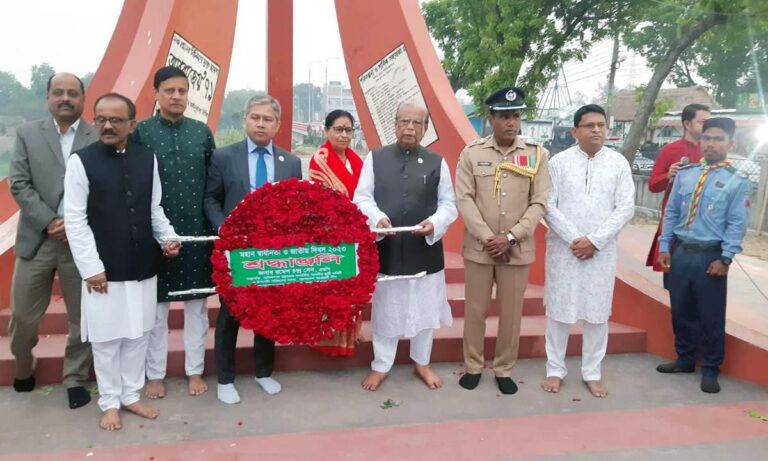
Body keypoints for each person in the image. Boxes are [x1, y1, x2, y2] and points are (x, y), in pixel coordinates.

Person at [64, 93, 181, 431]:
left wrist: (167, 238)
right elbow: (75, 220)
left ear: (132, 123)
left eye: (116, 119)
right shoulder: (80, 161)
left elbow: (154, 208)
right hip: (103, 268)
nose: (107, 125)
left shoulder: (148, 158)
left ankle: (131, 395)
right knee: (106, 340)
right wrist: (91, 267)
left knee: (138, 335)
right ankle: (109, 401)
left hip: (143, 263)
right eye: (101, 119)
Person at [204, 94, 302, 404]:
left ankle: (263, 372)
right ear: (245, 120)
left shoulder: (291, 162)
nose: (261, 123)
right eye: (255, 117)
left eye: (268, 119)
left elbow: (296, 206)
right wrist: (226, 230)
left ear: (278, 125)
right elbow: (211, 200)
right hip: (235, 250)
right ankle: (225, 378)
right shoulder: (223, 157)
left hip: (273, 252)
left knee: (268, 312)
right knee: (230, 313)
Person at [8, 72, 98, 409]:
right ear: (47, 97)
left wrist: (72, 223)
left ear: (83, 98)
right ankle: (23, 364)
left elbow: (102, 189)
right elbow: (19, 183)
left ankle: (74, 378)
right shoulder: (28, 134)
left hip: (80, 242)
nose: (65, 98)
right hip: (37, 238)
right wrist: (50, 220)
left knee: (81, 318)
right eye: (58, 92)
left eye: (72, 93)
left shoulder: (96, 135)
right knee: (23, 316)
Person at [353, 102, 457, 392]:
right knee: (387, 309)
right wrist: (378, 218)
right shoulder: (375, 158)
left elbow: (450, 204)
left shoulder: (438, 162)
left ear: (425, 129)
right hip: (387, 247)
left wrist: (435, 223)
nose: (410, 128)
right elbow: (361, 198)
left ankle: (422, 361)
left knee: (425, 310)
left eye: (417, 123)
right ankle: (381, 365)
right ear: (395, 124)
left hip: (424, 248)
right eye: (405, 122)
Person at [455, 87, 550, 395]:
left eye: (516, 116)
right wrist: (488, 238)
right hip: (480, 249)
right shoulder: (472, 153)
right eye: (505, 116)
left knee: (511, 314)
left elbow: (540, 202)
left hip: (516, 249)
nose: (512, 122)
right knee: (476, 310)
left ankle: (504, 368)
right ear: (490, 119)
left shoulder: (537, 153)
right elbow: (464, 198)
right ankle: (472, 365)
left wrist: (510, 237)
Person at [541, 104, 635, 398]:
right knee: (559, 311)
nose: (596, 130)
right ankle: (554, 370)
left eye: (601, 125)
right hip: (564, 249)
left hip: (601, 252)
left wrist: (594, 241)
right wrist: (575, 239)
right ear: (575, 131)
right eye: (589, 125)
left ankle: (592, 373)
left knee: (597, 314)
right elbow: (547, 205)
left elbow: (626, 207)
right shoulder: (558, 163)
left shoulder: (619, 163)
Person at [133, 66, 216, 399]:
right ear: (156, 93)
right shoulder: (141, 132)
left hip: (197, 233)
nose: (177, 96)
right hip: (155, 234)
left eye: (182, 91)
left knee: (197, 308)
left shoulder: (201, 131)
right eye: (170, 90)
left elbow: (213, 183)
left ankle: (194, 370)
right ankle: (155, 373)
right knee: (157, 310)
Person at [656, 117, 751, 394]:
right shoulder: (686, 174)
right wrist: (664, 247)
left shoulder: (737, 182)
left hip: (711, 256)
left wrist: (725, 259)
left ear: (730, 143)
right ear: (701, 141)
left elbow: (737, 224)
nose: (711, 143)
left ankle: (710, 368)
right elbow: (671, 212)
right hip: (682, 252)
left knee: (710, 316)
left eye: (719, 139)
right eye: (707, 138)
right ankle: (684, 359)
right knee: (681, 310)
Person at [308, 109, 364, 356]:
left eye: (348, 130)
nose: (344, 135)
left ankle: (348, 339)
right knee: (332, 290)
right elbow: (320, 201)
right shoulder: (319, 159)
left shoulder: (357, 160)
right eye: (338, 129)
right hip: (329, 234)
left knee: (352, 288)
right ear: (327, 131)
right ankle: (327, 340)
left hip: (357, 233)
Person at [647, 104, 710, 274]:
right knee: (674, 280)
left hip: (707, 224)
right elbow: (653, 185)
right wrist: (668, 176)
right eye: (702, 121)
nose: (707, 126)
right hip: (676, 222)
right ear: (687, 124)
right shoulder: (670, 150)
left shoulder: (711, 151)